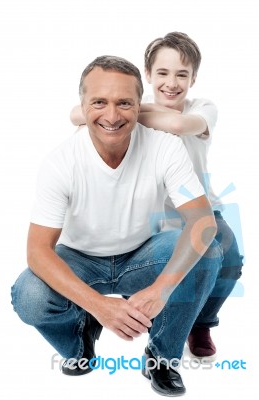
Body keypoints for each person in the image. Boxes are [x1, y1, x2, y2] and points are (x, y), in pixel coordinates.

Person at [11, 55, 222, 397]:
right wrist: (98, 305)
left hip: (142, 255)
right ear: (82, 106)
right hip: (79, 259)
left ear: (141, 105)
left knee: (209, 251)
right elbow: (37, 251)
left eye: (124, 103)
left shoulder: (165, 148)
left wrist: (161, 289)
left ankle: (162, 357)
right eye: (99, 102)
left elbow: (202, 223)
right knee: (30, 296)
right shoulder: (59, 163)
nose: (111, 116)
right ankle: (82, 337)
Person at [70, 32, 244, 362]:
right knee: (151, 267)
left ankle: (201, 324)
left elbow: (179, 124)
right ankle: (148, 321)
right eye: (162, 73)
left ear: (194, 77)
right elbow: (76, 115)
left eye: (182, 74)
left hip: (200, 207)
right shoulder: (125, 111)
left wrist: (133, 110)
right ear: (148, 74)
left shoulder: (203, 108)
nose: (171, 83)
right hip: (151, 215)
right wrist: (129, 108)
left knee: (229, 259)